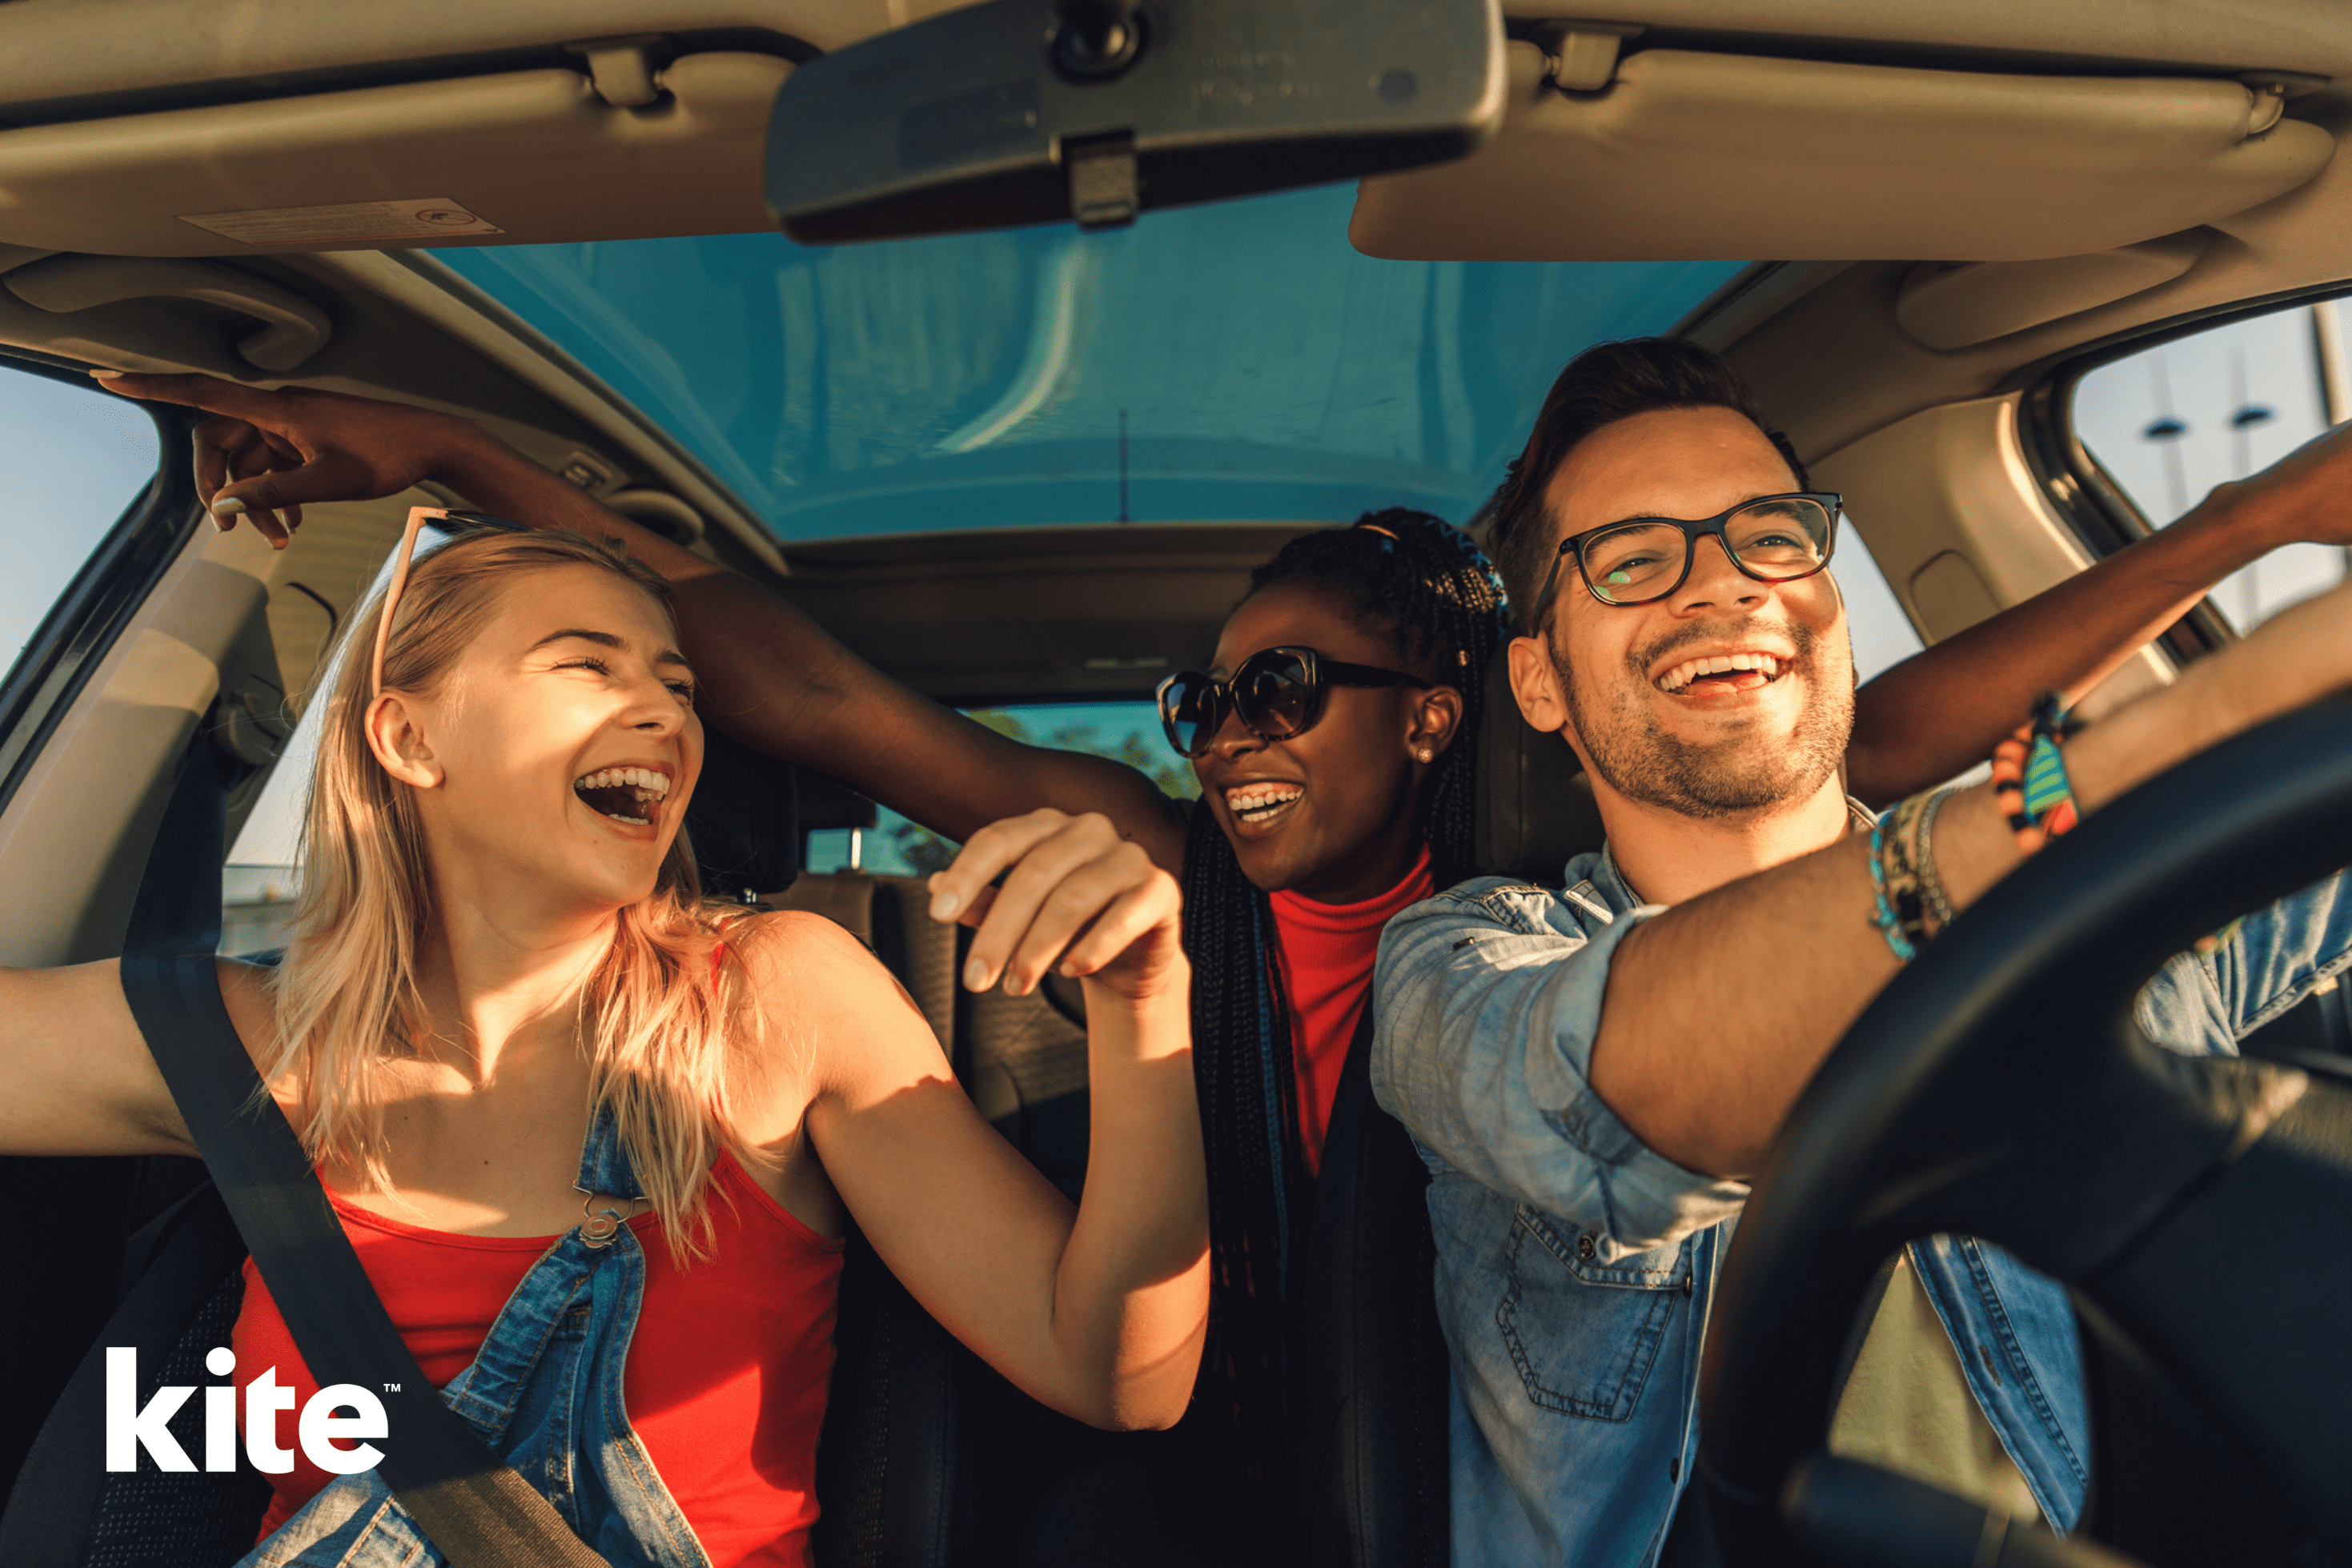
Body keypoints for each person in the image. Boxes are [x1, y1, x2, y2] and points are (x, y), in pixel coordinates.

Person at [91, 361, 2350, 1530]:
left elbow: (1887, 761)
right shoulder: (1177, 867)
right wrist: (464, 470)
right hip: (1208, 1407)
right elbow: (810, 692)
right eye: (1204, 699)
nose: (1229, 734)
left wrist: (2253, 542)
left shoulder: (1606, 844)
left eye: (1286, 689)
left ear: (1448, 711)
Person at [0, 517, 1208, 1566]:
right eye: (588, 664)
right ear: (410, 739)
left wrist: (1146, 1002)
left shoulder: (773, 1000)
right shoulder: (245, 1039)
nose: (666, 713)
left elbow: (1115, 1373)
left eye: (679, 684)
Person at [1370, 337, 2352, 1566]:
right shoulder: (1457, 962)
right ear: (1538, 682)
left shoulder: (2097, 898)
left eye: (1769, 537)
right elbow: (1617, 1090)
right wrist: (2199, 722)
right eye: (1629, 560)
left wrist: (2247, 529)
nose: (1723, 587)